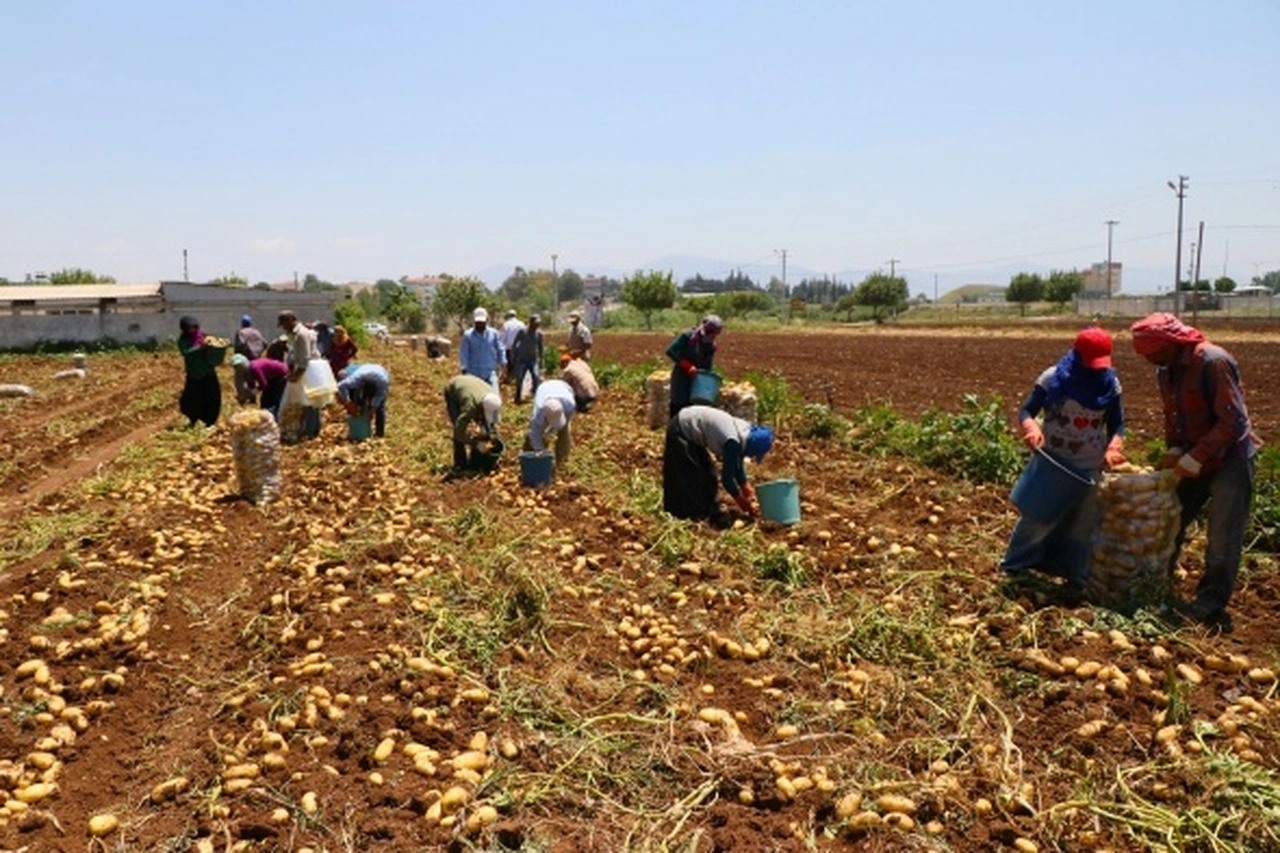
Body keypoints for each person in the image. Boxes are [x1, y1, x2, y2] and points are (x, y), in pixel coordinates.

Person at [1130, 312, 1261, 628]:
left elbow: (1232, 421)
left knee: (1223, 534)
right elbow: (1173, 417)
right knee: (1170, 518)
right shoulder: (1166, 371)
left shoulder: (1213, 362)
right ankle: (1159, 585)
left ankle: (1211, 602)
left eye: (1151, 353)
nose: (1148, 360)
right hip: (1194, 457)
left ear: (1171, 343)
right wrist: (1176, 449)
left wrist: (1196, 457)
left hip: (1230, 458)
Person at [1000, 327, 1126, 604]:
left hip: (1090, 464)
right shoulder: (1053, 378)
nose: (1096, 370)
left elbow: (1117, 423)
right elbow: (1027, 410)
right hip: (1055, 461)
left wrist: (1114, 445)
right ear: (1078, 355)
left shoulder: (1110, 385)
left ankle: (1075, 576)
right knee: (1039, 516)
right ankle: (1015, 566)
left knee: (1084, 522)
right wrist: (1031, 428)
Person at [664, 404, 773, 527]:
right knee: (694, 476)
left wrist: (745, 486)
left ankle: (711, 511)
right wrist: (740, 500)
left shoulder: (744, 433)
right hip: (681, 429)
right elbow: (727, 479)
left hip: (693, 431)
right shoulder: (733, 441)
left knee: (709, 472)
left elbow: (737, 465)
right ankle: (696, 516)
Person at [666, 315, 723, 418]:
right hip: (681, 378)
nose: (713, 337)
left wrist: (709, 381)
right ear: (707, 330)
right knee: (678, 406)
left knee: (692, 410)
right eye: (712, 333)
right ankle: (674, 432)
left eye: (716, 334)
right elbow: (671, 351)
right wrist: (687, 365)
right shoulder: (688, 337)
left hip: (697, 381)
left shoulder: (710, 345)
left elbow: (708, 366)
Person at [278, 310, 323, 440]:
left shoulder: (301, 334)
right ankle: (309, 430)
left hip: (306, 371)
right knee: (309, 400)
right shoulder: (295, 334)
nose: (283, 327)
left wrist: (295, 375)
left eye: (284, 324)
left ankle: (310, 432)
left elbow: (304, 359)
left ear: (291, 320)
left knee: (309, 401)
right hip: (303, 370)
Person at [444, 374, 503, 472]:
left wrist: (490, 437)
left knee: (485, 428)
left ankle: (477, 460)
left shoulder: (494, 399)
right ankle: (460, 464)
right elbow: (459, 430)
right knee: (457, 426)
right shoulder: (470, 407)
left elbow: (492, 424)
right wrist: (475, 444)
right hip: (454, 389)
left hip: (473, 387)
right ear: (481, 407)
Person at [177, 315, 221, 428]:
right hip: (194, 373)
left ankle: (210, 421)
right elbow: (185, 352)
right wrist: (199, 348)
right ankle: (193, 419)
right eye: (190, 328)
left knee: (211, 398)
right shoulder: (183, 340)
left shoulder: (204, 337)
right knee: (191, 399)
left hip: (207, 372)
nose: (192, 330)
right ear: (184, 329)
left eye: (194, 327)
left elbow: (213, 351)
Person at [526, 379, 577, 469]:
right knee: (533, 438)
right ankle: (531, 457)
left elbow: (567, 420)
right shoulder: (538, 413)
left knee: (564, 433)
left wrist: (552, 431)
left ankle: (562, 462)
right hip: (544, 388)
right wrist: (540, 450)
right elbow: (534, 434)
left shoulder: (569, 405)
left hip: (563, 386)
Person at [337, 363, 390, 438]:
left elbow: (380, 396)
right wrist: (348, 403)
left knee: (380, 407)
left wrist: (373, 409)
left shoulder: (382, 385)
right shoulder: (355, 380)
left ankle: (379, 434)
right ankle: (355, 422)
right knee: (357, 399)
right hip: (364, 371)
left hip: (381, 372)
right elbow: (340, 386)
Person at [233, 353, 289, 421]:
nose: (238, 368)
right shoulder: (246, 371)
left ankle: (275, 418)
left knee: (273, 399)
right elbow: (251, 383)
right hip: (271, 377)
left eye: (239, 366)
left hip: (281, 374)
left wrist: (253, 392)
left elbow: (264, 384)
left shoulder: (255, 368)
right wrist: (249, 396)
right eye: (236, 366)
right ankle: (267, 416)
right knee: (265, 401)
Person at [460, 307, 504, 390]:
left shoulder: (494, 333)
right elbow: (464, 353)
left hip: (490, 371)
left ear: (487, 320)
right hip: (473, 373)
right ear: (474, 321)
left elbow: (500, 349)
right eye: (478, 322)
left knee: (494, 397)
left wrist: (502, 363)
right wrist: (464, 368)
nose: (480, 325)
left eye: (482, 322)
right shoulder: (468, 335)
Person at [232, 315, 268, 404]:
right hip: (256, 358)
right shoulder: (256, 332)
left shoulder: (241, 332)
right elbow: (265, 343)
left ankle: (243, 397)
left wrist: (238, 354)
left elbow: (241, 344)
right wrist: (258, 352)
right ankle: (253, 398)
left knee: (239, 378)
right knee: (251, 378)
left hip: (246, 358)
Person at [510, 314, 544, 404]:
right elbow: (515, 344)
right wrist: (513, 355)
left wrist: (541, 359)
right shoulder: (522, 331)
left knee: (536, 377)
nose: (537, 325)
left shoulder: (539, 334)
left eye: (538, 323)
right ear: (530, 323)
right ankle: (517, 397)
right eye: (535, 323)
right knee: (519, 378)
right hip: (522, 359)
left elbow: (541, 347)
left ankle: (537, 397)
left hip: (533, 359)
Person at [500, 309, 526, 383]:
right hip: (520, 348)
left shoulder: (506, 324)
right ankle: (518, 379)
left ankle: (510, 379)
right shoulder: (521, 324)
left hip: (510, 348)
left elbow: (503, 337)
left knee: (510, 365)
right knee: (518, 364)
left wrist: (501, 346)